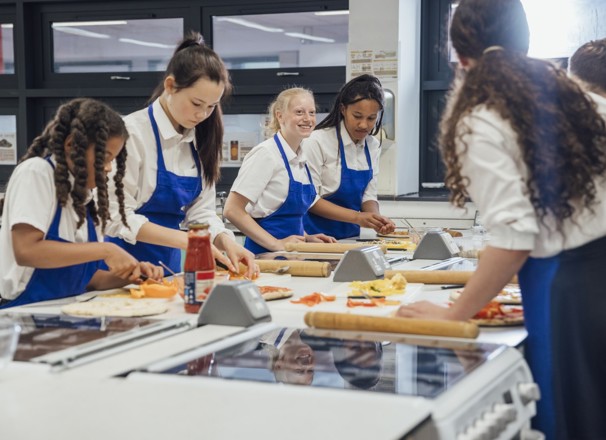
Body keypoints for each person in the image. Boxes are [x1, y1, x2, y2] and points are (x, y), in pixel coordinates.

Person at [395, 2, 606, 439]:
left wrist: (454, 315)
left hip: (573, 284)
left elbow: (515, 237)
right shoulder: (578, 96)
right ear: (525, 43)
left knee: (570, 421)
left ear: (459, 56)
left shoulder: (481, 117)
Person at [104, 32, 256, 277]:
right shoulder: (132, 134)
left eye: (211, 107)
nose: (203, 115)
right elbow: (115, 215)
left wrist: (226, 240)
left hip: (169, 269)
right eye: (196, 104)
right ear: (170, 86)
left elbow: (201, 212)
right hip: (122, 268)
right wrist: (187, 241)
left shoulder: (200, 139)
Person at [0, 98, 163, 308]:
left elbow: (88, 279)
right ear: (71, 145)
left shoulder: (85, 199)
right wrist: (106, 250)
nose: (108, 168)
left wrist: (133, 277)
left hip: (64, 314)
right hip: (22, 315)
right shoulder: (37, 173)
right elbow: (27, 251)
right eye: (104, 157)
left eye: (113, 160)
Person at [223, 87, 335, 254]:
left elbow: (286, 218)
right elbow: (232, 210)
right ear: (279, 115)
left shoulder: (301, 158)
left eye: (312, 113)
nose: (308, 119)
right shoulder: (266, 154)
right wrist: (276, 244)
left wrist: (306, 237)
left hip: (293, 254)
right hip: (264, 256)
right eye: (299, 112)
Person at [302, 74, 396, 239]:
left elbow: (368, 195)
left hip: (349, 238)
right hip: (314, 237)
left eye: (371, 118)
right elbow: (310, 200)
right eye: (357, 116)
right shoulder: (317, 141)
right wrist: (358, 217)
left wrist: (376, 219)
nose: (363, 125)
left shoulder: (373, 146)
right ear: (343, 109)